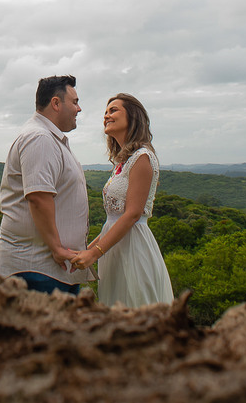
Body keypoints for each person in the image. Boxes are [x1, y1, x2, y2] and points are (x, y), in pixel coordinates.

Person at [70, 92, 173, 306]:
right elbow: (113, 222)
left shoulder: (142, 157)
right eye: (105, 112)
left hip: (134, 249)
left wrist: (94, 254)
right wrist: (88, 251)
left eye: (113, 110)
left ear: (133, 117)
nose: (106, 116)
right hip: (114, 249)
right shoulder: (123, 162)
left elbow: (132, 214)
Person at [0, 75, 93, 295]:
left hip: (48, 271)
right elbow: (38, 197)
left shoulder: (48, 137)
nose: (79, 109)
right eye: (75, 102)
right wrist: (56, 248)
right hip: (36, 270)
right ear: (56, 103)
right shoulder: (40, 138)